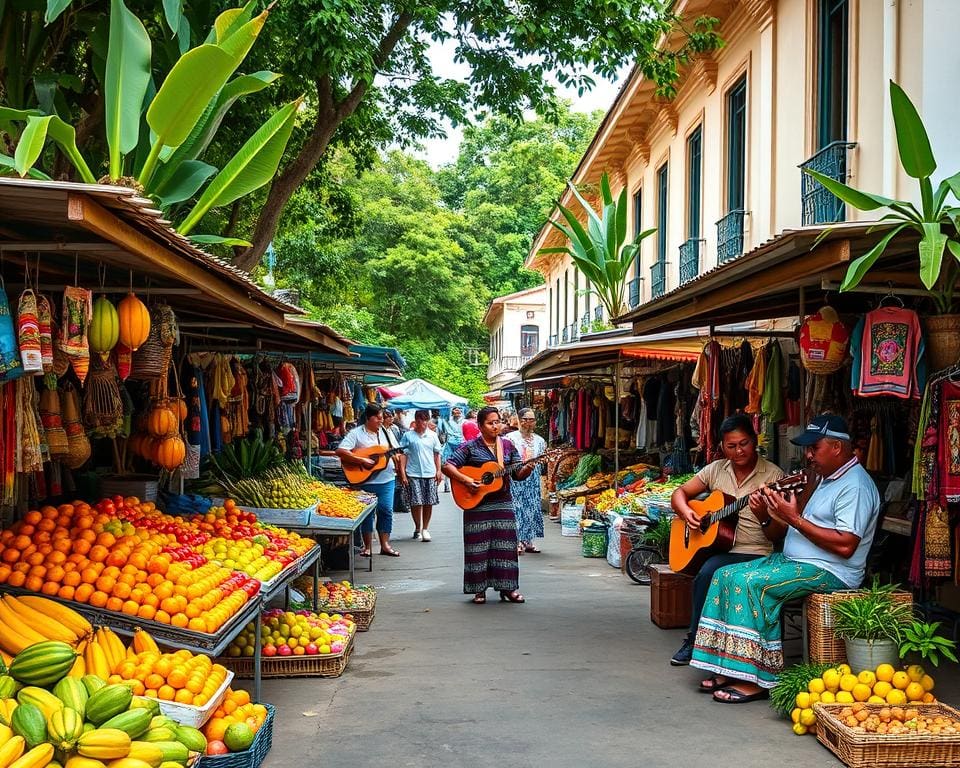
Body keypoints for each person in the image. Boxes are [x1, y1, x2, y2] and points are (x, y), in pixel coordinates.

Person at [691, 414, 881, 703]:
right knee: (724, 575)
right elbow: (786, 530)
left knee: (753, 584)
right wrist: (767, 516)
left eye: (813, 448)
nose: (807, 455)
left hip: (830, 570)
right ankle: (729, 665)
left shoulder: (856, 486)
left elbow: (846, 546)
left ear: (837, 448)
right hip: (796, 561)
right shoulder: (826, 479)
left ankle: (758, 679)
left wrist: (794, 518)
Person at [668, 414, 787, 666]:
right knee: (708, 568)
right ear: (722, 446)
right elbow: (679, 493)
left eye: (743, 443)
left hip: (754, 551)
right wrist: (687, 512)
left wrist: (763, 515)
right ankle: (697, 640)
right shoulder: (715, 469)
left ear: (754, 441)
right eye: (731, 446)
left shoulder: (774, 477)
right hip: (719, 547)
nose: (738, 451)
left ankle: (697, 641)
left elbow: (778, 535)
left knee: (707, 572)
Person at [443, 406, 534, 604]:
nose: (495, 426)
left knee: (506, 546)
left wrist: (527, 468)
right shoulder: (470, 447)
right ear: (480, 425)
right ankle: (479, 589)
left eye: (497, 422)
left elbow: (518, 474)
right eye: (490, 423)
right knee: (478, 546)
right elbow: (448, 465)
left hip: (502, 502)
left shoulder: (508, 446)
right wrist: (466, 480)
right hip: (477, 504)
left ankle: (508, 588)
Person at [335, 403, 401, 557]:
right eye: (377, 418)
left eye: (381, 418)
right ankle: (368, 546)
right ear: (368, 418)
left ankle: (385, 545)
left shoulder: (386, 433)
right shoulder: (356, 433)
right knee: (367, 513)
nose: (380, 421)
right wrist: (361, 461)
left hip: (387, 479)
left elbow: (396, 451)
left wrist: (400, 466)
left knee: (386, 510)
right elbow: (340, 451)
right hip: (365, 480)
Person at [504, 407, 547, 554]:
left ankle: (528, 540)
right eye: (525, 419)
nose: (529, 423)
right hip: (516, 478)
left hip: (533, 480)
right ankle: (517, 541)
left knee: (532, 509)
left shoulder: (540, 441)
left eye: (532, 420)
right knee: (517, 509)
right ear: (519, 420)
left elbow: (542, 459)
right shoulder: (510, 439)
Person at [399, 409, 443, 541]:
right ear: (416, 420)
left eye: (425, 419)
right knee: (416, 502)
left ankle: (425, 528)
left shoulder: (432, 435)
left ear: (427, 420)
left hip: (430, 472)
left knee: (428, 502)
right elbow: (403, 454)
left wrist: (439, 470)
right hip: (413, 472)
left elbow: (437, 454)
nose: (422, 422)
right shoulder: (408, 436)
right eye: (420, 419)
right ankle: (417, 527)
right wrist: (403, 473)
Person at [383, 409, 410, 516]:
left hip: (395, 459)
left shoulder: (393, 429)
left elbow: (396, 445)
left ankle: (396, 504)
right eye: (388, 417)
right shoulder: (381, 431)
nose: (391, 418)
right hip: (388, 461)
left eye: (391, 416)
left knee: (397, 484)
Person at [438, 406, 467, 492]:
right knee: (447, 464)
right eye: (455, 409)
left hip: (462, 445)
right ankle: (447, 485)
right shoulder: (446, 421)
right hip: (450, 445)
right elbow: (441, 432)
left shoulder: (464, 422)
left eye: (459, 409)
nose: (457, 410)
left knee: (461, 465)